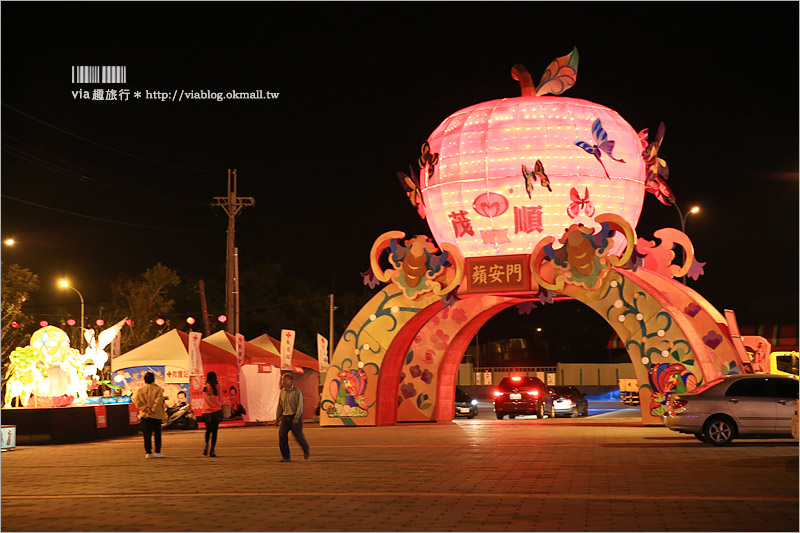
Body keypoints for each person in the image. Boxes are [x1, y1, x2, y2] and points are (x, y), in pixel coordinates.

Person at [275, 373, 309, 462]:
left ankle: (305, 448)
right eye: (282, 380)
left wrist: (297, 416)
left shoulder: (296, 391)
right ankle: (286, 457)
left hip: (294, 417)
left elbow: (300, 405)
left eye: (285, 380)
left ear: (290, 381)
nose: (283, 382)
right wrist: (278, 418)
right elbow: (280, 405)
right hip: (285, 417)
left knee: (298, 436)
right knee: (282, 436)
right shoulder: (282, 392)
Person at [132, 371, 167, 459]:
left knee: (147, 435)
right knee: (157, 434)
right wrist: (153, 410)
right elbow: (158, 400)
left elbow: (137, 401)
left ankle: (148, 452)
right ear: (153, 379)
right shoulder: (158, 389)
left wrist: (146, 409)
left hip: (145, 415)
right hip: (156, 415)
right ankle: (157, 452)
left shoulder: (141, 390)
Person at [202, 371, 223, 457]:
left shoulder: (205, 387)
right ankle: (212, 450)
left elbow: (205, 397)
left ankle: (206, 444)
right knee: (214, 432)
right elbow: (220, 399)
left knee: (208, 430)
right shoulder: (217, 387)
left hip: (206, 412)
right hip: (216, 411)